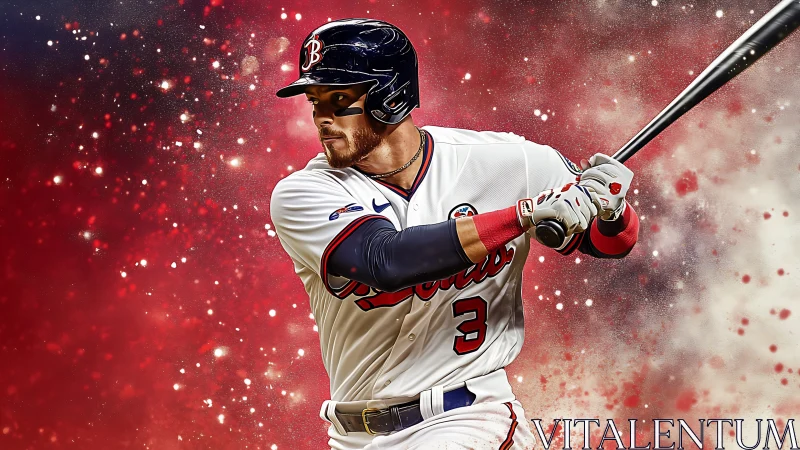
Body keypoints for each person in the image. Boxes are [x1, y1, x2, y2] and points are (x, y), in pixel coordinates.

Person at [270, 18, 639, 450]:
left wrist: (610, 211)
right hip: (353, 435)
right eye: (315, 102)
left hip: (468, 418)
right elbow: (386, 262)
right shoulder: (304, 192)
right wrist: (523, 215)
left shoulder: (505, 161)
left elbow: (609, 242)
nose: (323, 119)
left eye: (339, 100)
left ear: (390, 96)